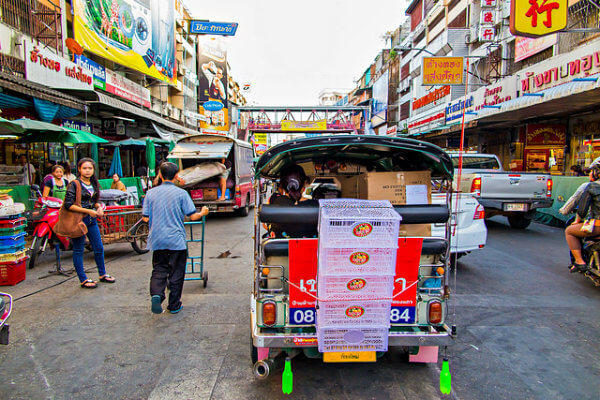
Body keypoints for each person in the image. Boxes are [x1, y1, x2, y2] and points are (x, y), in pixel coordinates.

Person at [142, 162, 209, 314]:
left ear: (160, 175)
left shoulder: (150, 193)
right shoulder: (181, 194)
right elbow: (192, 216)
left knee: (159, 269)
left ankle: (157, 294)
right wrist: (203, 212)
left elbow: (145, 218)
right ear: (177, 176)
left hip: (157, 239)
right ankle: (174, 305)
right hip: (176, 240)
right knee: (177, 273)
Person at [63, 158, 115, 289]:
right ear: (79, 169)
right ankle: (83, 279)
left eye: (90, 168)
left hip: (92, 220)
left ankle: (102, 274)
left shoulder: (93, 183)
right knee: (79, 250)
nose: (87, 171)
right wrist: (88, 211)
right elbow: (69, 205)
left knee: (99, 247)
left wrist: (98, 207)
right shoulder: (74, 184)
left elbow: (94, 200)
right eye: (85, 168)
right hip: (79, 221)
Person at [565, 163, 600, 272]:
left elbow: (582, 210)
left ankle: (580, 261)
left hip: (597, 226)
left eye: (591, 171)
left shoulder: (592, 186)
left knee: (569, 231)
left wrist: (577, 221)